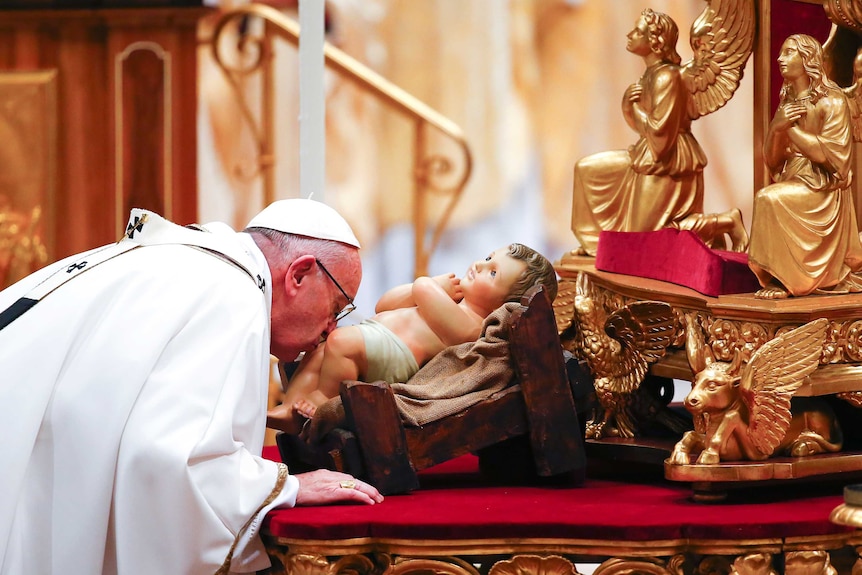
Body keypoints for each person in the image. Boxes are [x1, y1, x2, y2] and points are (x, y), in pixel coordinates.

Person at [0, 198, 383, 575]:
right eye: (337, 307)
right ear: (299, 274)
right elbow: (166, 457)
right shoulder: (231, 294)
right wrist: (289, 487)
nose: (332, 328)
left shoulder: (190, 264)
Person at [266, 243, 558, 434]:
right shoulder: (451, 299)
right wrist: (429, 289)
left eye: (493, 273)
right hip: (374, 336)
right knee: (319, 352)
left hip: (396, 357)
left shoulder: (472, 325)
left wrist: (430, 284)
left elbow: (423, 292)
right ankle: (290, 406)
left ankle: (321, 399)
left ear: (504, 304)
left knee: (340, 343)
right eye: (487, 259)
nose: (480, 266)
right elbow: (384, 305)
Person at [570, 8, 748, 256]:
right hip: (648, 156)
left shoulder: (668, 78)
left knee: (648, 238)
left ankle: (724, 222)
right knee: (586, 169)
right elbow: (645, 130)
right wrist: (627, 107)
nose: (630, 35)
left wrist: (635, 109)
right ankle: (596, 243)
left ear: (656, 41)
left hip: (669, 163)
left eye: (638, 31)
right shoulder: (651, 75)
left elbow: (660, 135)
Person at [748, 34, 862, 299]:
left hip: (824, 190)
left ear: (808, 58)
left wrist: (789, 130)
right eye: (781, 53)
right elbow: (772, 160)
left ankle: (787, 279)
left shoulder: (832, 101)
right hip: (796, 178)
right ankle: (781, 275)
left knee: (767, 198)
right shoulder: (788, 102)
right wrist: (776, 129)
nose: (780, 59)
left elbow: (835, 159)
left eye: (789, 53)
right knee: (769, 197)